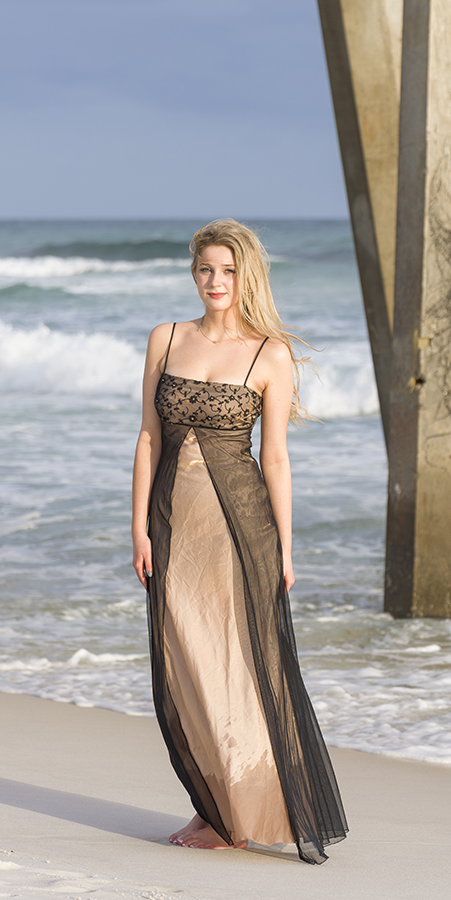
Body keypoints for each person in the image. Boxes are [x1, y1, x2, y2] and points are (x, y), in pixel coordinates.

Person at [130, 219, 348, 864]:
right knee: (188, 660)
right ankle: (219, 801)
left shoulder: (269, 354)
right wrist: (138, 525)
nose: (215, 282)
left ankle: (234, 812)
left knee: (247, 663)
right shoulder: (165, 339)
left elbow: (274, 458)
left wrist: (285, 547)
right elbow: (147, 437)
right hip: (174, 523)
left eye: (227, 271)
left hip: (241, 527)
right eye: (205, 270)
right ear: (192, 273)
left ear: (246, 275)